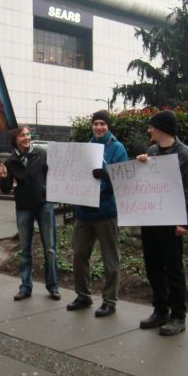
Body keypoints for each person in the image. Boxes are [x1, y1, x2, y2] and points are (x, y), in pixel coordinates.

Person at [136, 110, 188, 336]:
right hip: (151, 218)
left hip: (172, 220)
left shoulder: (185, 154)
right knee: (153, 266)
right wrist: (141, 163)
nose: (149, 130)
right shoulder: (152, 151)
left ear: (162, 129)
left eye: (152, 126)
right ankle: (160, 310)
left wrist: (185, 221)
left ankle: (178, 315)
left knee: (173, 269)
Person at [66, 110, 128, 317]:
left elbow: (124, 178)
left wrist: (107, 175)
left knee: (110, 259)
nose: (99, 127)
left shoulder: (117, 148)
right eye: (96, 124)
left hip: (105, 212)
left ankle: (110, 301)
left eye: (102, 123)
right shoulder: (86, 148)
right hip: (84, 212)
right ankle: (83, 296)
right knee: (79, 255)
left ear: (108, 126)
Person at [0, 126, 61, 301]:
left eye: (27, 134)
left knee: (50, 248)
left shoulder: (41, 153)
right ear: (15, 140)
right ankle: (25, 286)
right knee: (24, 249)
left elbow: (54, 174)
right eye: (22, 135)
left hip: (44, 204)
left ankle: (53, 286)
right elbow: (5, 188)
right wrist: (3, 176)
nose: (26, 137)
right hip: (24, 207)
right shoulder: (10, 161)